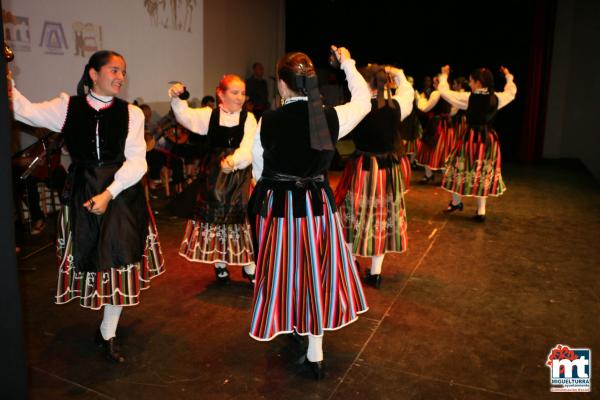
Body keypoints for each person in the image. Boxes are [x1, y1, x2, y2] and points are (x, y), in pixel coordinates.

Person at [11, 50, 165, 363]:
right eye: (113, 70)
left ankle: (108, 333)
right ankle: (105, 331)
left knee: (120, 261)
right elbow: (22, 109)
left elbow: (137, 160)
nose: (120, 77)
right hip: (82, 190)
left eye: (123, 71)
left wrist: (110, 192)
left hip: (121, 192)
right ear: (93, 73)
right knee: (95, 258)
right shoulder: (67, 107)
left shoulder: (131, 113)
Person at [248, 46, 370, 379]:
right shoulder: (329, 116)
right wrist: (348, 62)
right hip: (317, 206)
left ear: (282, 85)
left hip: (281, 208)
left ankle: (290, 322)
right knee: (316, 273)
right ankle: (315, 352)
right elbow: (364, 101)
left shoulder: (268, 120)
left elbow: (260, 170)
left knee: (286, 270)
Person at [169, 74, 257, 284]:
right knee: (216, 221)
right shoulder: (209, 115)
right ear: (221, 94)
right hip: (214, 177)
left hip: (240, 175)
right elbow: (184, 116)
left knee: (243, 220)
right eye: (234, 92)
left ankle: (249, 265)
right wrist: (176, 98)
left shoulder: (249, 118)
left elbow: (248, 146)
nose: (240, 97)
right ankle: (220, 264)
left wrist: (234, 161)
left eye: (243, 93)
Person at [335, 64, 413, 288]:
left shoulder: (358, 108)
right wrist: (398, 73)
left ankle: (350, 264)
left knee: (356, 214)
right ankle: (376, 273)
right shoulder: (396, 105)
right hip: (387, 170)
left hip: (364, 169)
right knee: (381, 217)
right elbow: (407, 91)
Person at [438, 65, 517, 220]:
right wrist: (508, 76)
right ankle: (480, 211)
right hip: (488, 140)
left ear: (479, 83)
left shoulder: (469, 98)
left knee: (459, 168)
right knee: (482, 172)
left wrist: (444, 75)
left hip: (472, 138)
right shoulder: (496, 98)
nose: (470, 84)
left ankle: (456, 202)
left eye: (472, 81)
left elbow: (445, 93)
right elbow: (511, 93)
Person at [415, 73, 455, 183]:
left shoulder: (436, 93)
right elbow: (454, 109)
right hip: (446, 126)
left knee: (431, 148)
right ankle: (440, 177)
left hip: (438, 125)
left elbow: (425, 108)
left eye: (435, 82)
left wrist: (420, 98)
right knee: (444, 150)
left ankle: (433, 176)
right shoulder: (450, 93)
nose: (433, 84)